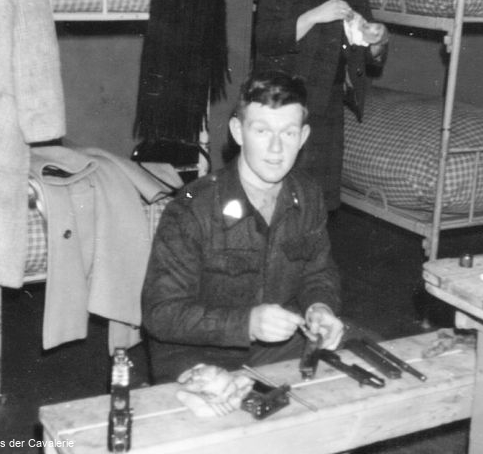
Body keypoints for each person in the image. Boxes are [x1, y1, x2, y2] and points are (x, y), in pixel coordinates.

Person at [142, 71, 345, 383]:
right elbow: (161, 313)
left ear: (303, 136)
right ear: (238, 131)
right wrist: (246, 323)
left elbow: (318, 272)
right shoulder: (192, 208)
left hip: (277, 347)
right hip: (196, 354)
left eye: (288, 133)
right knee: (225, 407)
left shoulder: (308, 195)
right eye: (262, 131)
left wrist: (320, 308)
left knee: (354, 372)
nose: (276, 149)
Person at [254, 0, 389, 210]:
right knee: (281, 200)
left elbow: (369, 58)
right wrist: (314, 16)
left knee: (318, 202)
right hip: (286, 105)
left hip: (329, 104)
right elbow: (266, 40)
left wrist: (378, 40)